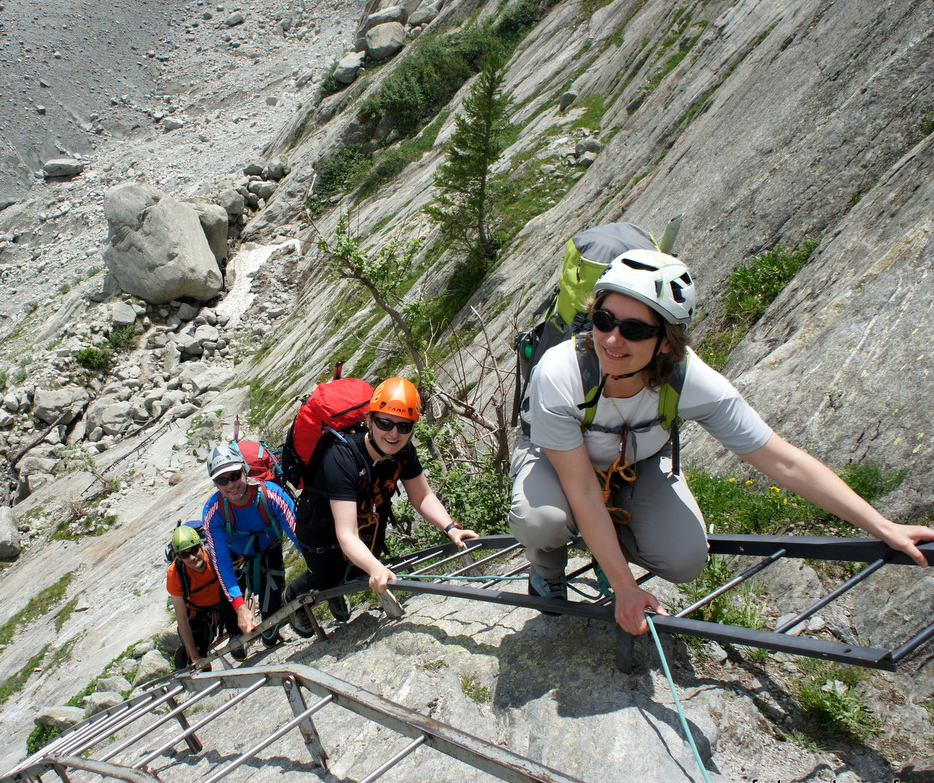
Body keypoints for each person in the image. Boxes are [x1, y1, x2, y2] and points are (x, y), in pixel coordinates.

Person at [510, 249, 933, 637]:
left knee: (686, 559)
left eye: (635, 329)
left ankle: (607, 552)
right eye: (604, 321)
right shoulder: (560, 371)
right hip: (558, 462)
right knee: (540, 520)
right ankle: (547, 570)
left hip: (635, 467)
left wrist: (883, 526)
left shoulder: (692, 381)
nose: (613, 339)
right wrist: (625, 587)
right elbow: (581, 487)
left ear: (666, 340)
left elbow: (782, 461)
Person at [285, 376, 479, 635]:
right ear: (370, 420)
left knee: (356, 571)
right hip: (320, 527)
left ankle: (335, 592)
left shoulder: (403, 451)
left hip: (366, 520)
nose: (394, 433)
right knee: (326, 578)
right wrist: (376, 568)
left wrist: (451, 528)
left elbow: (422, 497)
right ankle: (293, 597)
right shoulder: (342, 457)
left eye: (404, 426)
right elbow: (345, 534)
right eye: (385, 423)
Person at [202, 442, 300, 648]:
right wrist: (240, 607)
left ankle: (270, 637)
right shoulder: (214, 512)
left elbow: (299, 536)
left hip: (269, 549)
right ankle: (236, 636)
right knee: (231, 607)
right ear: (216, 484)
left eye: (235, 476)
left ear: (244, 471)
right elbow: (221, 562)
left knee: (271, 626)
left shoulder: (272, 495)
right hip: (236, 555)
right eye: (222, 480)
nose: (230, 484)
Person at [165, 522, 243, 668]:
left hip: (225, 603)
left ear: (202, 545)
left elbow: (241, 586)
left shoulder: (216, 555)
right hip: (199, 612)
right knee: (197, 656)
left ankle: (237, 639)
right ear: (179, 557)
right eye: (184, 554)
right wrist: (195, 657)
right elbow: (182, 619)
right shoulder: (175, 574)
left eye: (194, 550)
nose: (192, 557)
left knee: (239, 644)